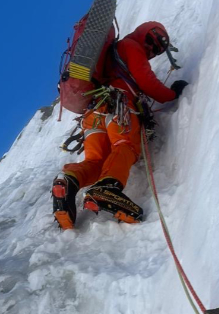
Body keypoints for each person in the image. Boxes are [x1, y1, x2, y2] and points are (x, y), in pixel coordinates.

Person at [52, 21, 188, 229]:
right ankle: (107, 188)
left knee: (97, 161)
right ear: (142, 34)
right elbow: (146, 80)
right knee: (126, 146)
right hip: (119, 106)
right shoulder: (130, 46)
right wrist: (172, 93)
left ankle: (69, 181)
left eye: (157, 50)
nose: (152, 49)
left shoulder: (112, 52)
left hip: (93, 112)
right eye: (151, 42)